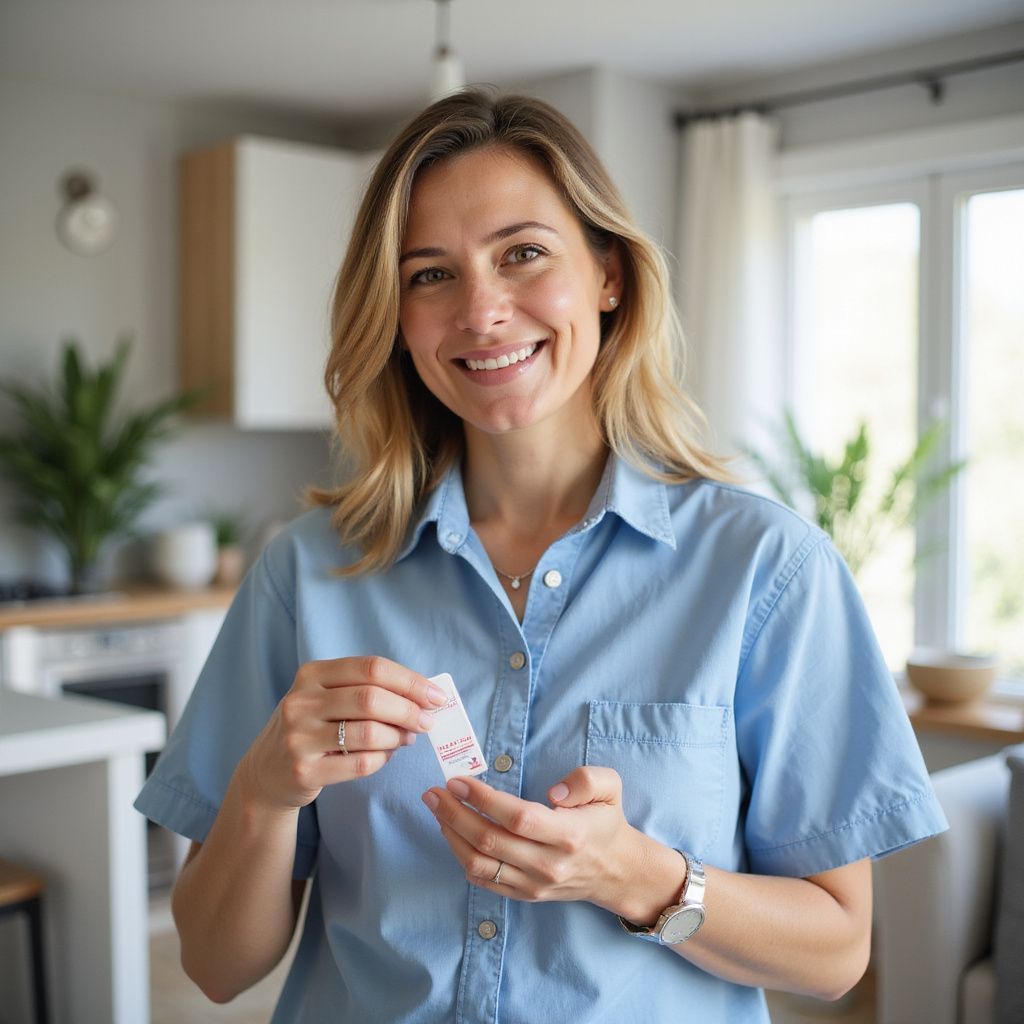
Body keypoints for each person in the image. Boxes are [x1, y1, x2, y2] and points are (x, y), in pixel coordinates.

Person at [135, 89, 948, 1023]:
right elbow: (212, 965)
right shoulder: (305, 575)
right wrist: (261, 792)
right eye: (429, 274)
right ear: (395, 313)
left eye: (522, 254)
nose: (481, 311)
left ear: (608, 274)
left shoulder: (770, 572)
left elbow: (837, 953)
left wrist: (636, 876)